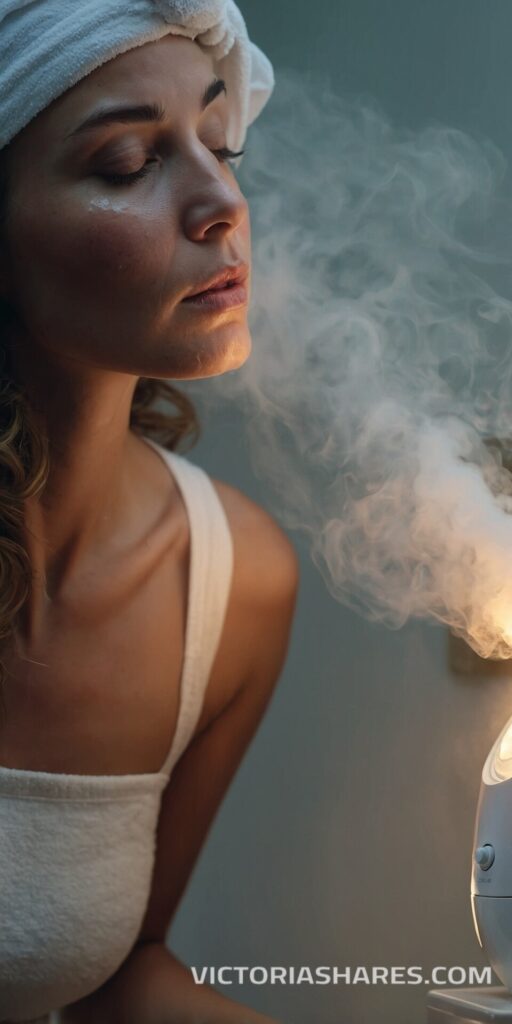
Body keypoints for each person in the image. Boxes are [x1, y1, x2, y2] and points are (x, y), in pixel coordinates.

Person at [0, 2, 297, 1022]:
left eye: (219, 144)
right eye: (128, 163)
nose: (222, 200)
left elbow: (121, 975)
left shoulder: (236, 582)